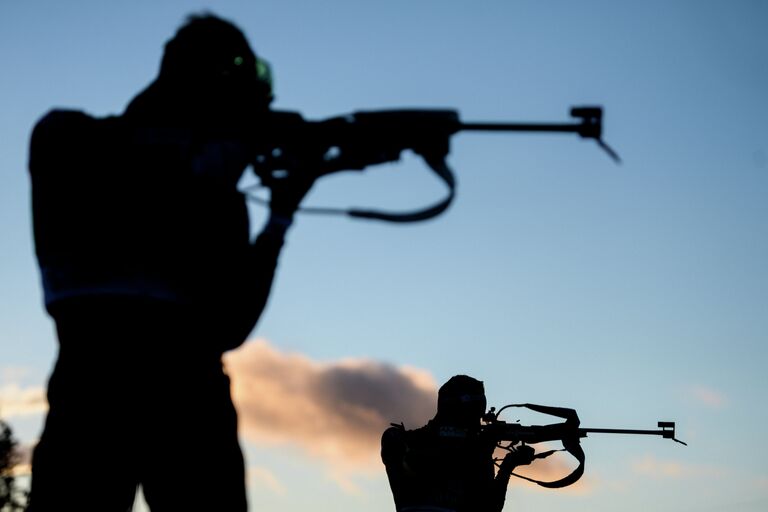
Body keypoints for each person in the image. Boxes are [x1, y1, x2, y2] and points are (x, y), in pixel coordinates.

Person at [26, 14, 315, 511]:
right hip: (119, 389)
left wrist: (280, 218)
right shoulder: (70, 139)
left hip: (149, 392)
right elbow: (150, 172)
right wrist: (231, 151)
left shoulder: (219, 199)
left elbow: (231, 325)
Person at [381, 375, 535, 512]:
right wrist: (481, 454)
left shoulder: (408, 442)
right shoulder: (404, 443)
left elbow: (489, 507)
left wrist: (508, 464)